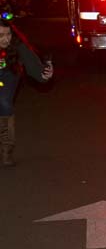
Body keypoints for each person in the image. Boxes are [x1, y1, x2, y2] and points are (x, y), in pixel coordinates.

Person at [0, 16, 53, 166]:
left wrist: (44, 74)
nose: (6, 39)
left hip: (9, 73)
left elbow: (34, 65)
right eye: (1, 36)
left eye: (8, 34)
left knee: (4, 103)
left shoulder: (16, 45)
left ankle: (6, 149)